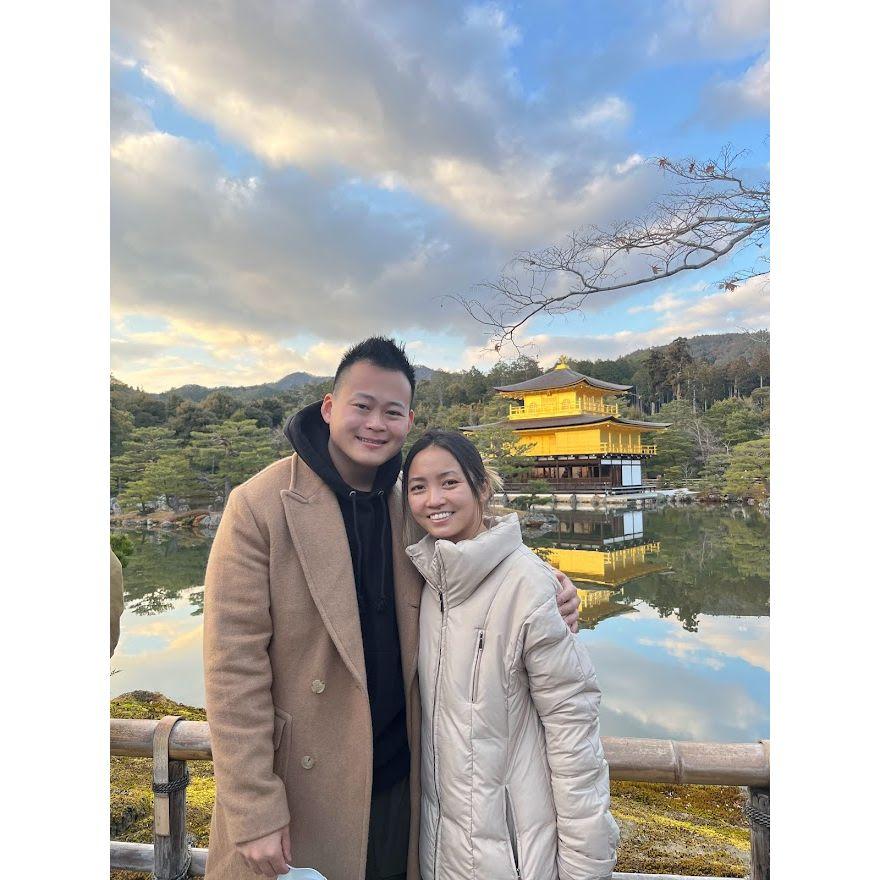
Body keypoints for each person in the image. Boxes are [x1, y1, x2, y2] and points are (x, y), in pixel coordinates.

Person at [203, 337, 581, 880]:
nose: (376, 423)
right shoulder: (260, 505)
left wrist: (552, 582)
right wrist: (253, 807)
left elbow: (485, 552)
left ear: (409, 420)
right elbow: (231, 668)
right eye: (362, 406)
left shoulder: (413, 501)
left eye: (393, 411)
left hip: (403, 780)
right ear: (329, 407)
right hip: (299, 785)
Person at [403, 429, 619, 880]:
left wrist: (585, 867)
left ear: (482, 487)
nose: (433, 499)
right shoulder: (425, 578)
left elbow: (573, 730)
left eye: (449, 482)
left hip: (517, 855)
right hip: (439, 852)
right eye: (418, 487)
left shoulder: (529, 585)